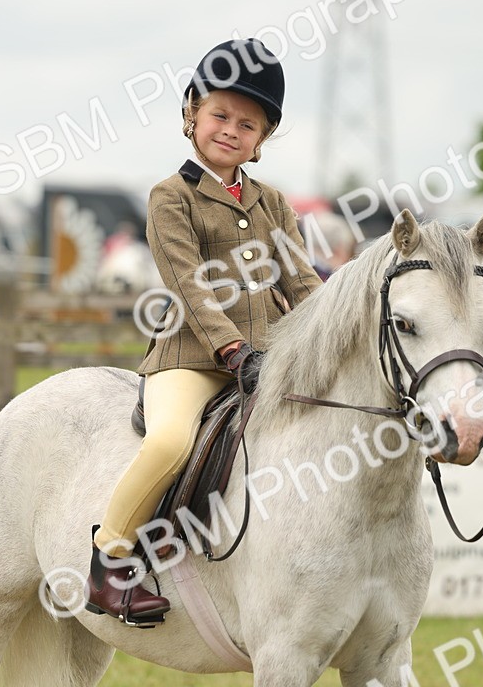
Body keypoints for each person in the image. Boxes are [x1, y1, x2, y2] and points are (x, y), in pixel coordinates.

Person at [86, 39, 323, 623]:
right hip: (192, 358)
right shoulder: (171, 197)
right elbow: (189, 284)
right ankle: (109, 559)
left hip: (268, 360)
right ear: (191, 113)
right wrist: (232, 347)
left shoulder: (273, 202)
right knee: (169, 443)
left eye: (247, 124)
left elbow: (301, 281)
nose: (230, 130)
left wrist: (335, 331)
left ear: (261, 138)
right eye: (220, 115)